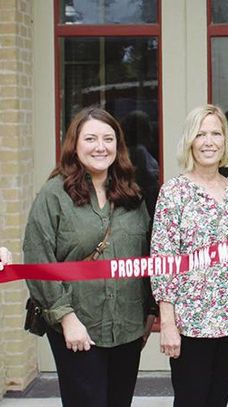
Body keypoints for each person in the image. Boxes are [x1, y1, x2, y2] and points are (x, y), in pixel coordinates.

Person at [23, 106, 156, 407]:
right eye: (91, 139)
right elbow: (37, 259)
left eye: (108, 139)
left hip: (127, 327)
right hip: (77, 325)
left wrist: (150, 311)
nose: (100, 147)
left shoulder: (132, 195)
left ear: (118, 146)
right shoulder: (53, 195)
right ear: (75, 144)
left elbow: (147, 256)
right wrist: (67, 319)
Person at [150, 104, 228, 407]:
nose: (209, 141)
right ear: (190, 141)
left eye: (216, 133)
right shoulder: (174, 192)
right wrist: (167, 323)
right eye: (200, 134)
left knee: (218, 400)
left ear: (226, 141)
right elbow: (163, 259)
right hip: (190, 322)